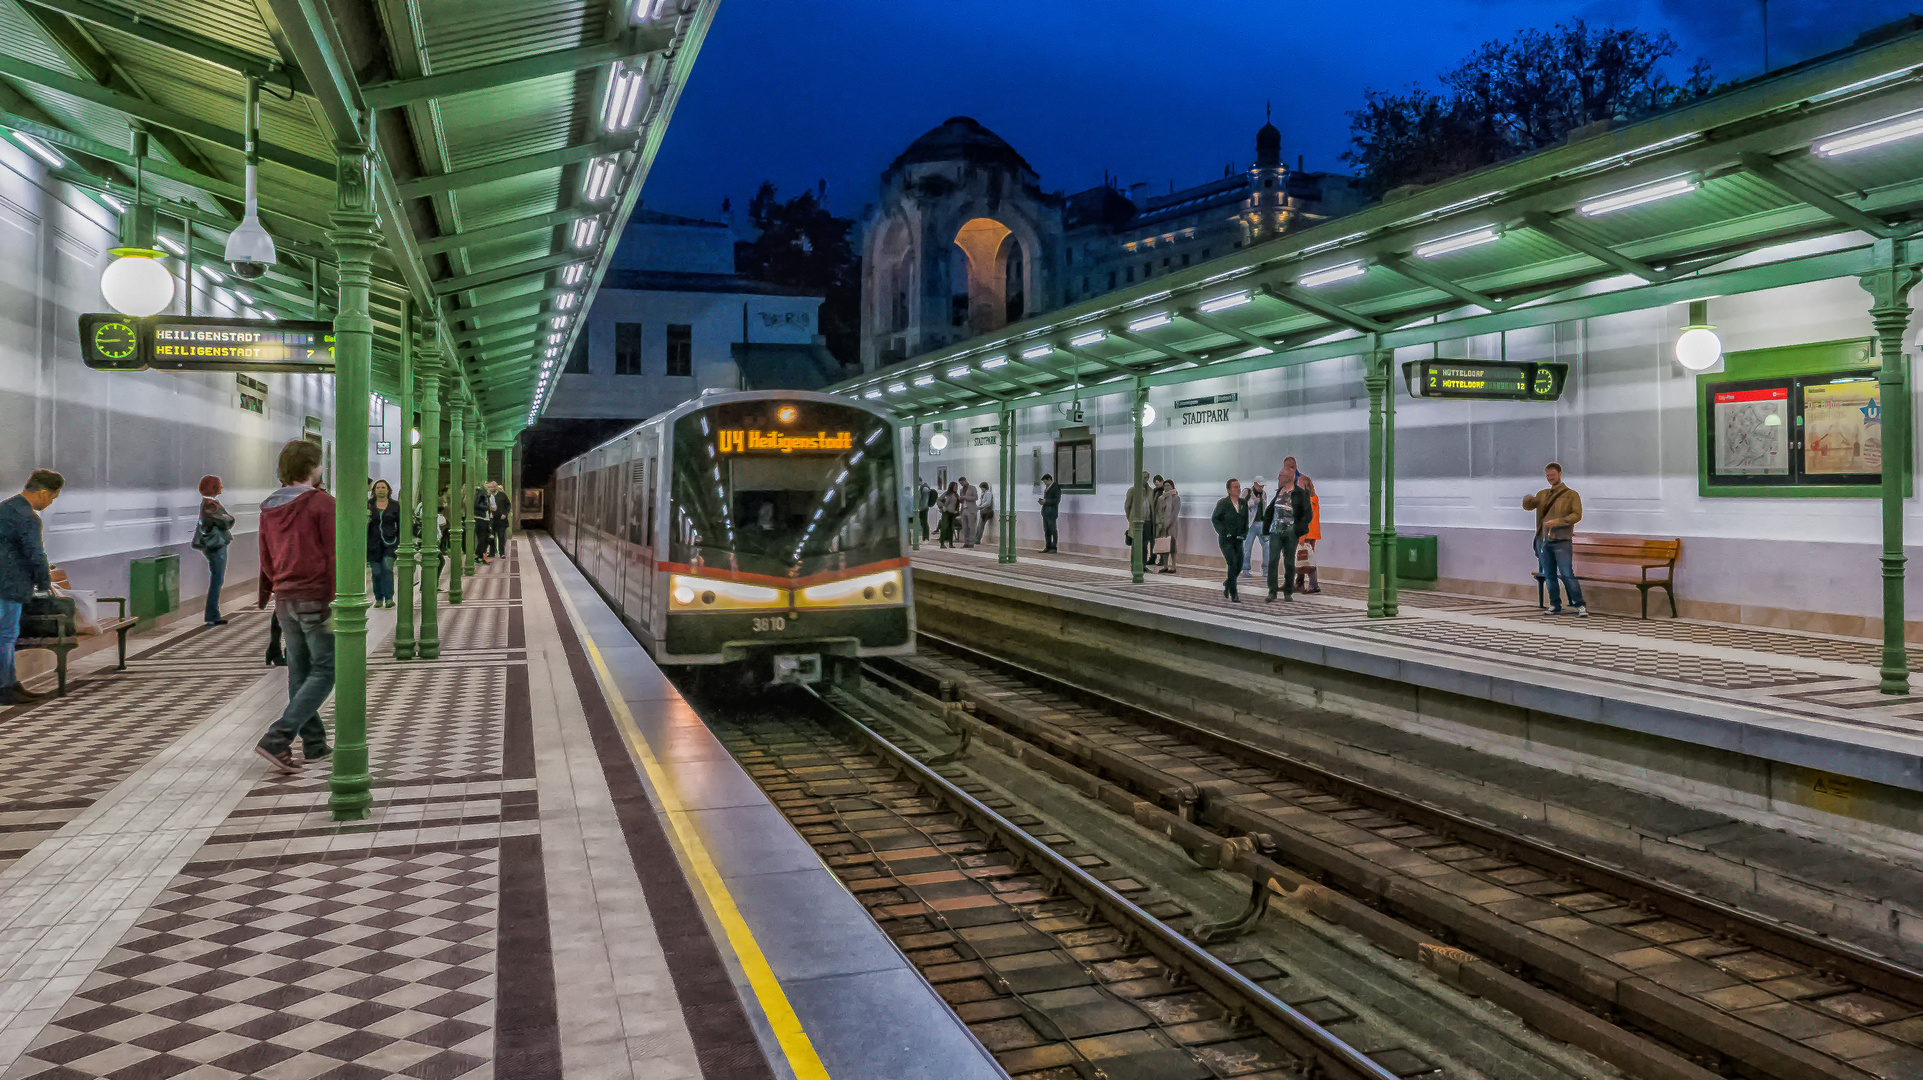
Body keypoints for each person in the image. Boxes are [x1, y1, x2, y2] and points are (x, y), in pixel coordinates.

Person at [255, 440, 336, 773]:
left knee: (299, 671)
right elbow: (334, 554)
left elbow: (266, 556)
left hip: (284, 597)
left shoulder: (268, 507)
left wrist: (275, 587)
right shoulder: (322, 504)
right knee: (328, 669)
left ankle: (314, 744)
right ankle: (279, 736)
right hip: (314, 594)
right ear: (314, 466)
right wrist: (336, 596)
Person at [1, 470, 62, 705]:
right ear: (44, 493)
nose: (49, 504)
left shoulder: (5, 508)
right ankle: (6, 687)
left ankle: (10, 683)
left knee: (4, 637)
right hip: (9, 585)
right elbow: (35, 554)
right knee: (6, 637)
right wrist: (45, 585)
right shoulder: (27, 517)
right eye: (52, 498)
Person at [1524, 461, 1587, 617]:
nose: (1550, 478)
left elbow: (1577, 515)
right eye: (1547, 476)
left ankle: (1580, 605)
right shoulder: (1542, 494)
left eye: (1552, 475)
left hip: (1562, 540)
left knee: (1566, 573)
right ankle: (1554, 604)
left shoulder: (1571, 495)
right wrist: (1527, 500)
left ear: (1560, 474)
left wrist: (1558, 522)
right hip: (1544, 540)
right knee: (1549, 574)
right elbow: (1528, 506)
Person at [1262, 465, 1313, 602]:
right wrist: (1265, 529)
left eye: (1281, 475)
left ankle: (1288, 591)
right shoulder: (1279, 491)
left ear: (1289, 477)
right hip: (1275, 531)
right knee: (1273, 560)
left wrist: (1298, 530)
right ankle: (1272, 591)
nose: (1279, 477)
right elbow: (1270, 511)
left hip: (1290, 532)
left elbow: (1307, 515)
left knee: (1289, 562)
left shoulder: (1300, 494)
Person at [195, 475, 235, 626]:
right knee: (217, 579)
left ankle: (213, 613)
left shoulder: (209, 503)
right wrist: (228, 518)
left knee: (217, 579)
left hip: (213, 545)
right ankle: (212, 614)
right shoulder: (210, 505)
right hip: (216, 545)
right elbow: (226, 520)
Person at [1210, 479, 1247, 601]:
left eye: (1239, 487)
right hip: (1227, 540)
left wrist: (1244, 533)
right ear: (1229, 490)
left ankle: (1228, 583)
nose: (1238, 489)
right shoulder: (1223, 503)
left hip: (1238, 539)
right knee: (1232, 563)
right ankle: (1234, 593)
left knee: (1239, 564)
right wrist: (1223, 532)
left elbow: (1245, 520)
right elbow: (1215, 519)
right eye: (1235, 487)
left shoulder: (1243, 503)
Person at [368, 479, 400, 608]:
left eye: (383, 487)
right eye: (378, 488)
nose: (380, 490)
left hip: (390, 543)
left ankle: (389, 598)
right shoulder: (368, 505)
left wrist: (399, 540)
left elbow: (401, 524)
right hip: (373, 544)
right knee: (376, 572)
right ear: (374, 490)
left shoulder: (395, 506)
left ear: (388, 490)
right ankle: (379, 598)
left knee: (387, 569)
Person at [1295, 474, 1322, 594]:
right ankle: (1299, 582)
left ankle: (1313, 585)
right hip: (1312, 532)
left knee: (1308, 559)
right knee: (1303, 558)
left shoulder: (1308, 500)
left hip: (1307, 533)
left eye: (1299, 484)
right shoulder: (1313, 497)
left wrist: (1302, 535)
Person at [1123, 471, 1151, 563]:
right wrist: (1131, 518)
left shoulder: (1150, 491)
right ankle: (1135, 564)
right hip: (1136, 522)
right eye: (1143, 477)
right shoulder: (1132, 490)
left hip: (1147, 521)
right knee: (1136, 544)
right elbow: (1127, 506)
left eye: (1146, 477)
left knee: (1144, 544)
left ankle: (1143, 565)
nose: (1144, 479)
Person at [1242, 477, 1267, 580]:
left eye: (1262, 485)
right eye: (1259, 485)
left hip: (1261, 523)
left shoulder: (1264, 494)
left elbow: (1265, 507)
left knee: (1267, 547)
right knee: (1247, 547)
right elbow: (1241, 504)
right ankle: (1246, 569)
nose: (1261, 487)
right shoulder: (1247, 492)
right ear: (1255, 484)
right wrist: (1253, 502)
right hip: (1250, 524)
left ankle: (1266, 570)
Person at [1154, 478, 1181, 573]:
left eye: (1168, 485)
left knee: (1172, 545)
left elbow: (1175, 512)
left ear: (1172, 486)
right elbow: (1157, 512)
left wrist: (1169, 523)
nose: (1166, 487)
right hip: (1162, 525)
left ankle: (1173, 566)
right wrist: (1160, 523)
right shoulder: (1161, 499)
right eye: (1165, 486)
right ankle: (1165, 565)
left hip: (1172, 525)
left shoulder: (1176, 498)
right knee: (1163, 545)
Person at [472, 483, 494, 564]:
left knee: (486, 538)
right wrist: (487, 508)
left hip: (484, 519)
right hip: (481, 519)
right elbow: (477, 505)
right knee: (483, 539)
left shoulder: (484, 494)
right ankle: (479, 555)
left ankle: (480, 556)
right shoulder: (481, 494)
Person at [1038, 473, 1061, 553]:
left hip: (1052, 512)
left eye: (1045, 482)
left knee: (1053, 529)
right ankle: (1048, 546)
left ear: (1049, 480)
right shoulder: (1047, 488)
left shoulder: (1055, 488)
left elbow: (1056, 500)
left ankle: (1053, 547)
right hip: (1045, 512)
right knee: (1046, 530)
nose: (1045, 484)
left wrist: (1046, 501)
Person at [957, 476, 978, 548]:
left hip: (971, 509)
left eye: (962, 483)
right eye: (960, 483)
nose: (962, 484)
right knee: (965, 527)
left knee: (971, 526)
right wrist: (960, 499)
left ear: (965, 481)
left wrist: (965, 497)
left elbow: (975, 497)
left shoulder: (972, 488)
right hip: (963, 509)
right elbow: (961, 500)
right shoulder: (961, 490)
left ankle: (972, 542)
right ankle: (966, 542)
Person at [938, 481, 959, 548]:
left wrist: (957, 511)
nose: (955, 488)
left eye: (956, 487)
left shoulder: (956, 495)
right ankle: (942, 543)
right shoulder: (947, 494)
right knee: (944, 527)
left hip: (953, 513)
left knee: (951, 528)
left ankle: (951, 543)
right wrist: (942, 506)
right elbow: (939, 500)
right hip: (946, 512)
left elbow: (957, 504)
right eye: (954, 487)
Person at [978, 481, 994, 548]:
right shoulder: (983, 493)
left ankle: (977, 539)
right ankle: (977, 538)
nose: (981, 489)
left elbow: (988, 502)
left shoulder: (988, 493)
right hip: (982, 510)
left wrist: (980, 506)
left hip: (985, 510)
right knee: (980, 525)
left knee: (981, 525)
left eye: (982, 488)